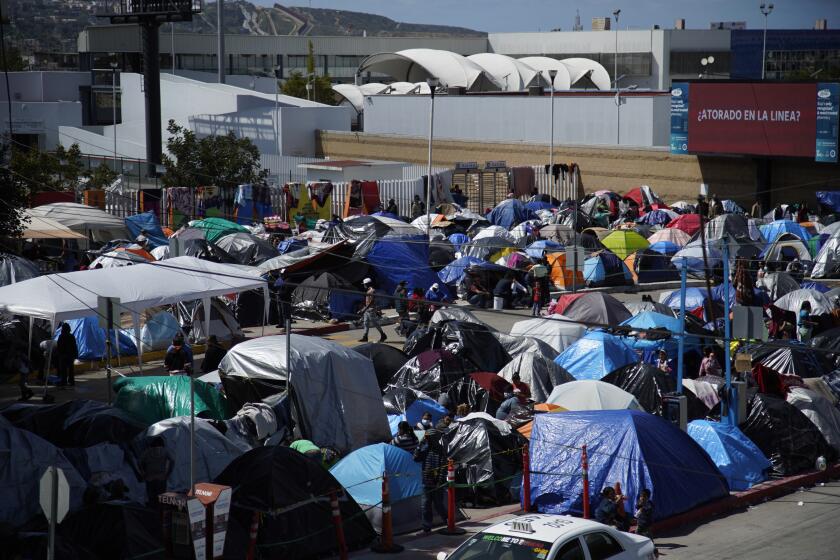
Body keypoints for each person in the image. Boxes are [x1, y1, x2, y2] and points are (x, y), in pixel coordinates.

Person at [413, 429, 449, 533]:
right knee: (425, 505)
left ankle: (448, 521)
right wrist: (420, 445)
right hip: (426, 482)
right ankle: (426, 526)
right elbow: (415, 458)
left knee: (439, 505)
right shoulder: (425, 449)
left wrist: (440, 481)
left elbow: (443, 467)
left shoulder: (441, 450)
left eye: (429, 438)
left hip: (437, 483)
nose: (427, 440)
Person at [139, 437, 171, 506]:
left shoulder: (147, 451)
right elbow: (172, 460)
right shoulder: (165, 451)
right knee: (161, 499)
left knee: (151, 498)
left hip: (150, 478)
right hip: (161, 478)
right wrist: (168, 473)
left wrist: (142, 472)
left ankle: (152, 511)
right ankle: (159, 512)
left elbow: (139, 462)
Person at [358, 278, 386, 343]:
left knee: (375, 323)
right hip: (367, 310)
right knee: (365, 323)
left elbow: (372, 301)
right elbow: (368, 302)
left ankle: (383, 335)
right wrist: (363, 309)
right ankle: (365, 337)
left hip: (371, 309)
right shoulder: (369, 290)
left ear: (367, 284)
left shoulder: (372, 291)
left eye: (364, 284)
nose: (364, 285)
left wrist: (364, 309)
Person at [56, 322, 78, 388]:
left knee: (63, 370)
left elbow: (59, 346)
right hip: (70, 355)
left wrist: (59, 354)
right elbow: (74, 346)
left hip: (63, 355)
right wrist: (75, 355)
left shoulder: (61, 336)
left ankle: (64, 381)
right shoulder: (71, 336)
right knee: (71, 369)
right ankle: (71, 381)